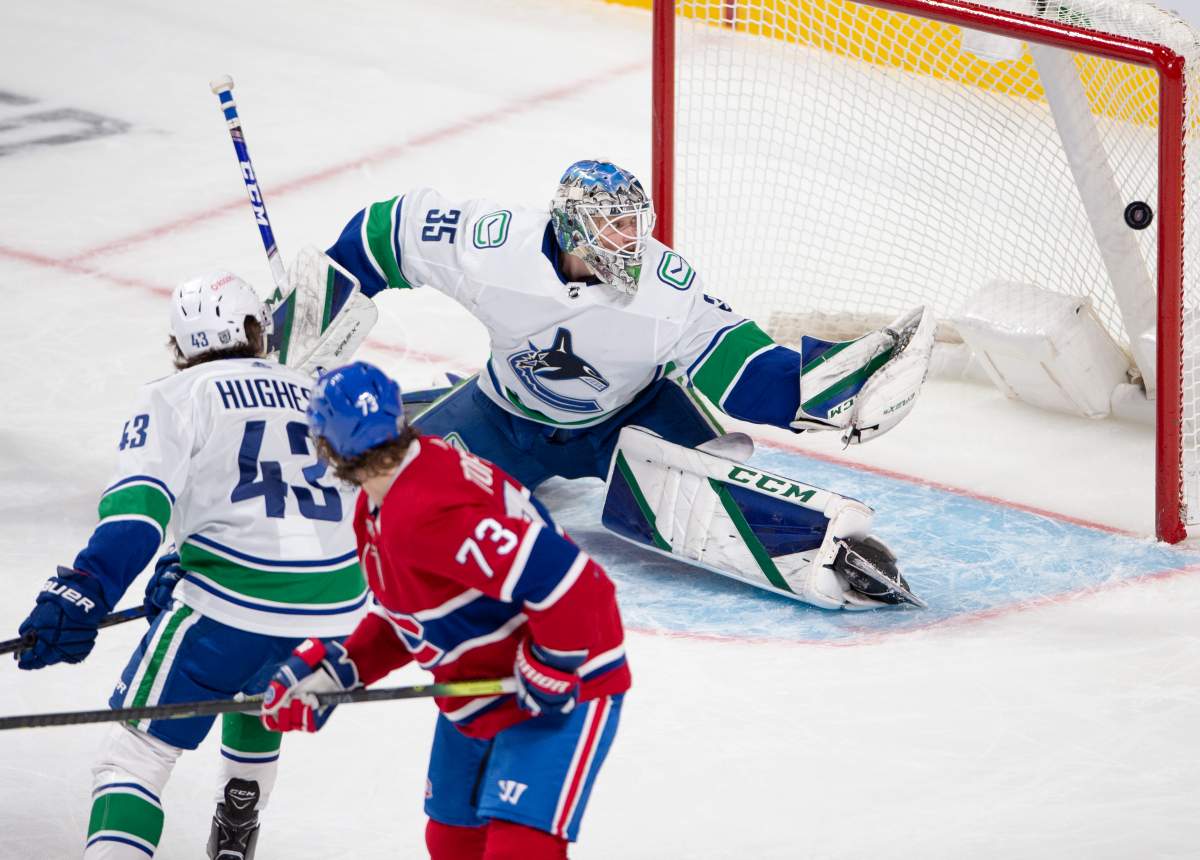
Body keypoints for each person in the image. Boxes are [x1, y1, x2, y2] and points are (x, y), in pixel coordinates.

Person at [286, 159, 932, 609]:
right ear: (570, 225)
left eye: (635, 223)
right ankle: (436, 412)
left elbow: (742, 367)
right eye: (613, 225)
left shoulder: (665, 286)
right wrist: (317, 304)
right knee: (387, 499)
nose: (631, 240)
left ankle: (831, 554)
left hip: (631, 417)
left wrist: (817, 393)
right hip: (504, 413)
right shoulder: (493, 248)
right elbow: (383, 231)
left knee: (712, 474)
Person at [14, 272, 367, 859]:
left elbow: (139, 512)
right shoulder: (314, 391)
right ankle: (237, 826)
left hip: (236, 600)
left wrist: (83, 591)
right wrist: (184, 557)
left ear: (180, 348)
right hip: (338, 610)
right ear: (257, 331)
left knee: (134, 755)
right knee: (258, 694)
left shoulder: (175, 396)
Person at [260, 361, 630, 860]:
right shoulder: (381, 504)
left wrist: (551, 667)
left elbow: (578, 585)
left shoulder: (424, 508)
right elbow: (408, 612)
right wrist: (341, 668)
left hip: (569, 673)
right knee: (453, 840)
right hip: (484, 687)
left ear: (328, 448)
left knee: (519, 849)